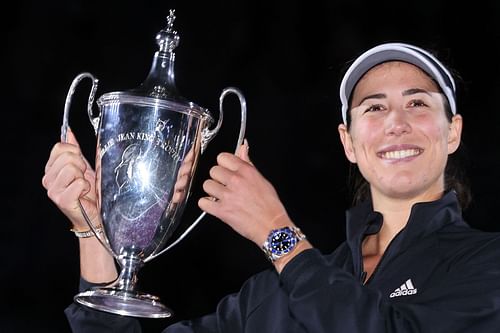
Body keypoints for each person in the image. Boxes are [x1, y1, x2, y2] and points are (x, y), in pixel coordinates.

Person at [42, 42, 500, 332]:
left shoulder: (484, 265)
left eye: (418, 103)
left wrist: (276, 234)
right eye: (374, 109)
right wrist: (96, 233)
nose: (396, 124)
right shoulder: (271, 296)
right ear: (349, 142)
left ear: (452, 132)